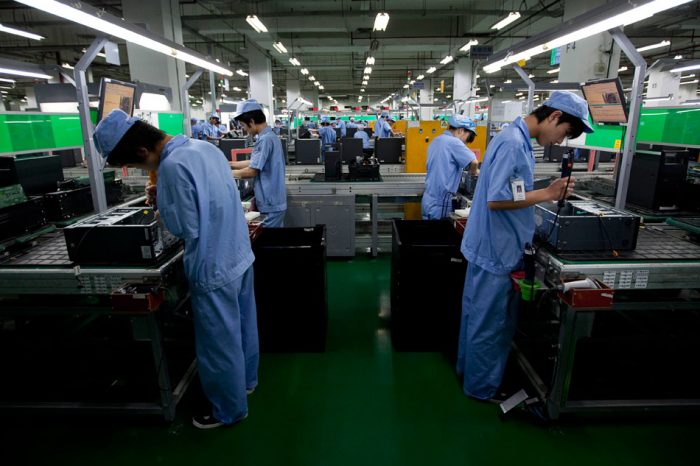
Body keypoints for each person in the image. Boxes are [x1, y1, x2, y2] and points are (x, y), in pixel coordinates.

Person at [93, 109, 258, 429]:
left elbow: (183, 227)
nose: (145, 170)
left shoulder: (171, 166)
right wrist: (167, 194)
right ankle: (247, 382)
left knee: (218, 342)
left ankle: (229, 409)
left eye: (139, 165)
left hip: (213, 265)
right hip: (238, 253)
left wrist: (162, 205)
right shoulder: (205, 148)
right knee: (243, 327)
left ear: (143, 150)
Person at [457, 91, 593, 401]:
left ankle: (471, 375)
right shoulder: (514, 143)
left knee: (477, 316)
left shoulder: (516, 138)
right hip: (497, 249)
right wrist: (548, 193)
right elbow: (496, 199)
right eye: (565, 132)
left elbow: (510, 191)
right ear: (554, 116)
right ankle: (481, 388)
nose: (560, 140)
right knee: (491, 324)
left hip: (491, 245)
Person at [231, 99, 287, 228]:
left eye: (243, 125)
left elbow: (252, 171)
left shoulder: (265, 140)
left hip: (270, 203)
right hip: (273, 201)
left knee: (266, 239)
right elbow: (255, 162)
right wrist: (230, 164)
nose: (244, 129)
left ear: (251, 121)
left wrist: (223, 173)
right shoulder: (270, 136)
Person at [422, 115, 479, 220]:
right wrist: (473, 173)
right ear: (461, 130)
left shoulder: (436, 140)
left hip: (428, 200)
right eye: (468, 138)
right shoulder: (454, 142)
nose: (465, 143)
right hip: (441, 202)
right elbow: (474, 162)